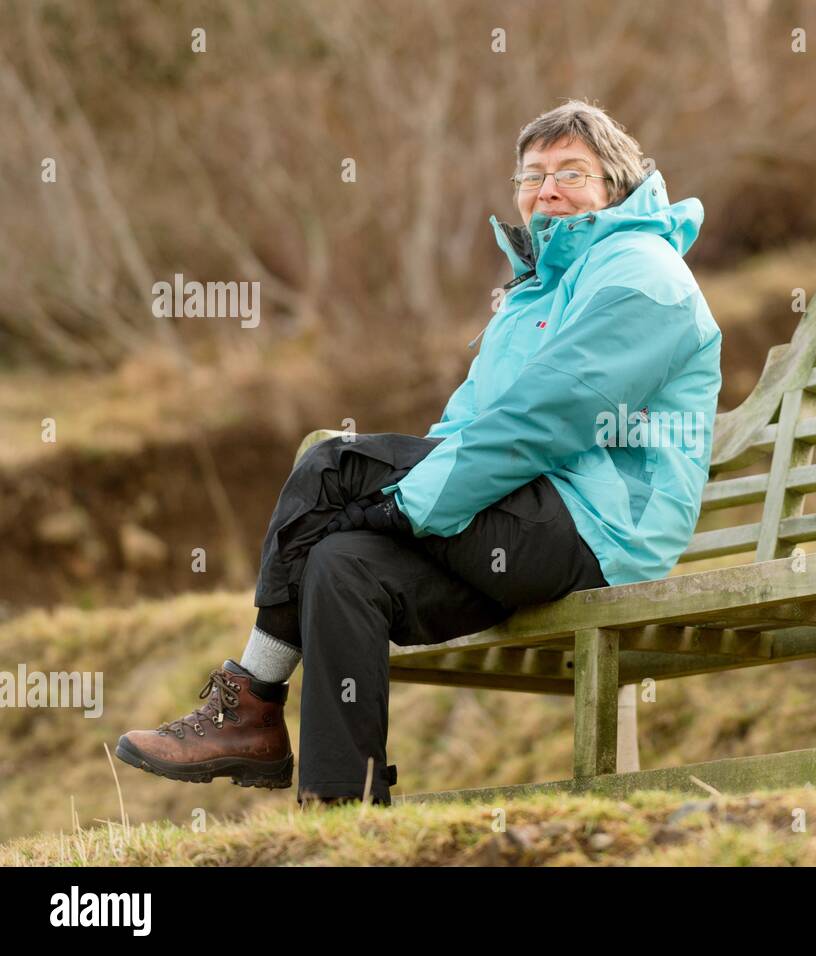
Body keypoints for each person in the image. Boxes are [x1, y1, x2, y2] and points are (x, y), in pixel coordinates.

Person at [114, 99, 724, 807]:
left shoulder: (641, 273)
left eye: (570, 172)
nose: (546, 190)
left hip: (596, 530)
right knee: (341, 566)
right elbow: (465, 428)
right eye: (531, 177)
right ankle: (340, 805)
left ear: (614, 188)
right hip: (521, 525)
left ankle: (250, 702)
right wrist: (397, 512)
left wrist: (405, 505)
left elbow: (547, 419)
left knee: (333, 466)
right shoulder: (532, 295)